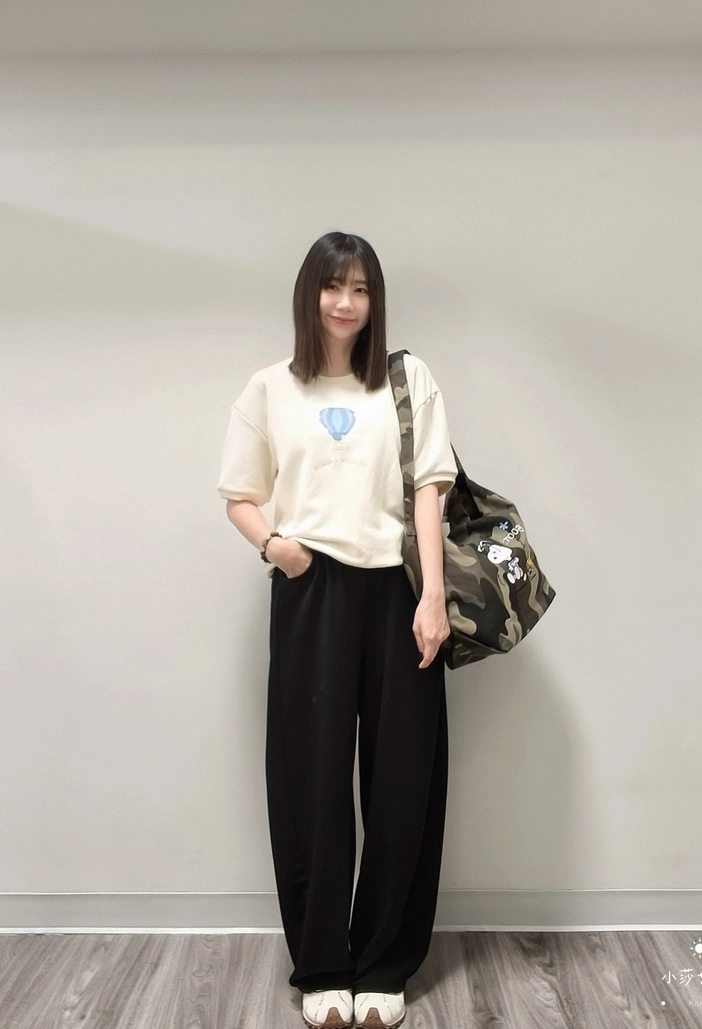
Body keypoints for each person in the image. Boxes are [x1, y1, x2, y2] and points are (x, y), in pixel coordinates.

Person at [216, 231, 457, 1029]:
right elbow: (239, 493)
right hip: (310, 588)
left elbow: (429, 490)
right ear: (309, 293)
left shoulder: (407, 379)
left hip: (398, 590)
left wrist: (432, 597)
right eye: (333, 286)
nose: (346, 302)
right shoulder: (270, 388)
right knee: (310, 780)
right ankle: (322, 962)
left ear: (375, 298)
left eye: (360, 287)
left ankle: (384, 961)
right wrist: (275, 547)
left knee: (403, 778)